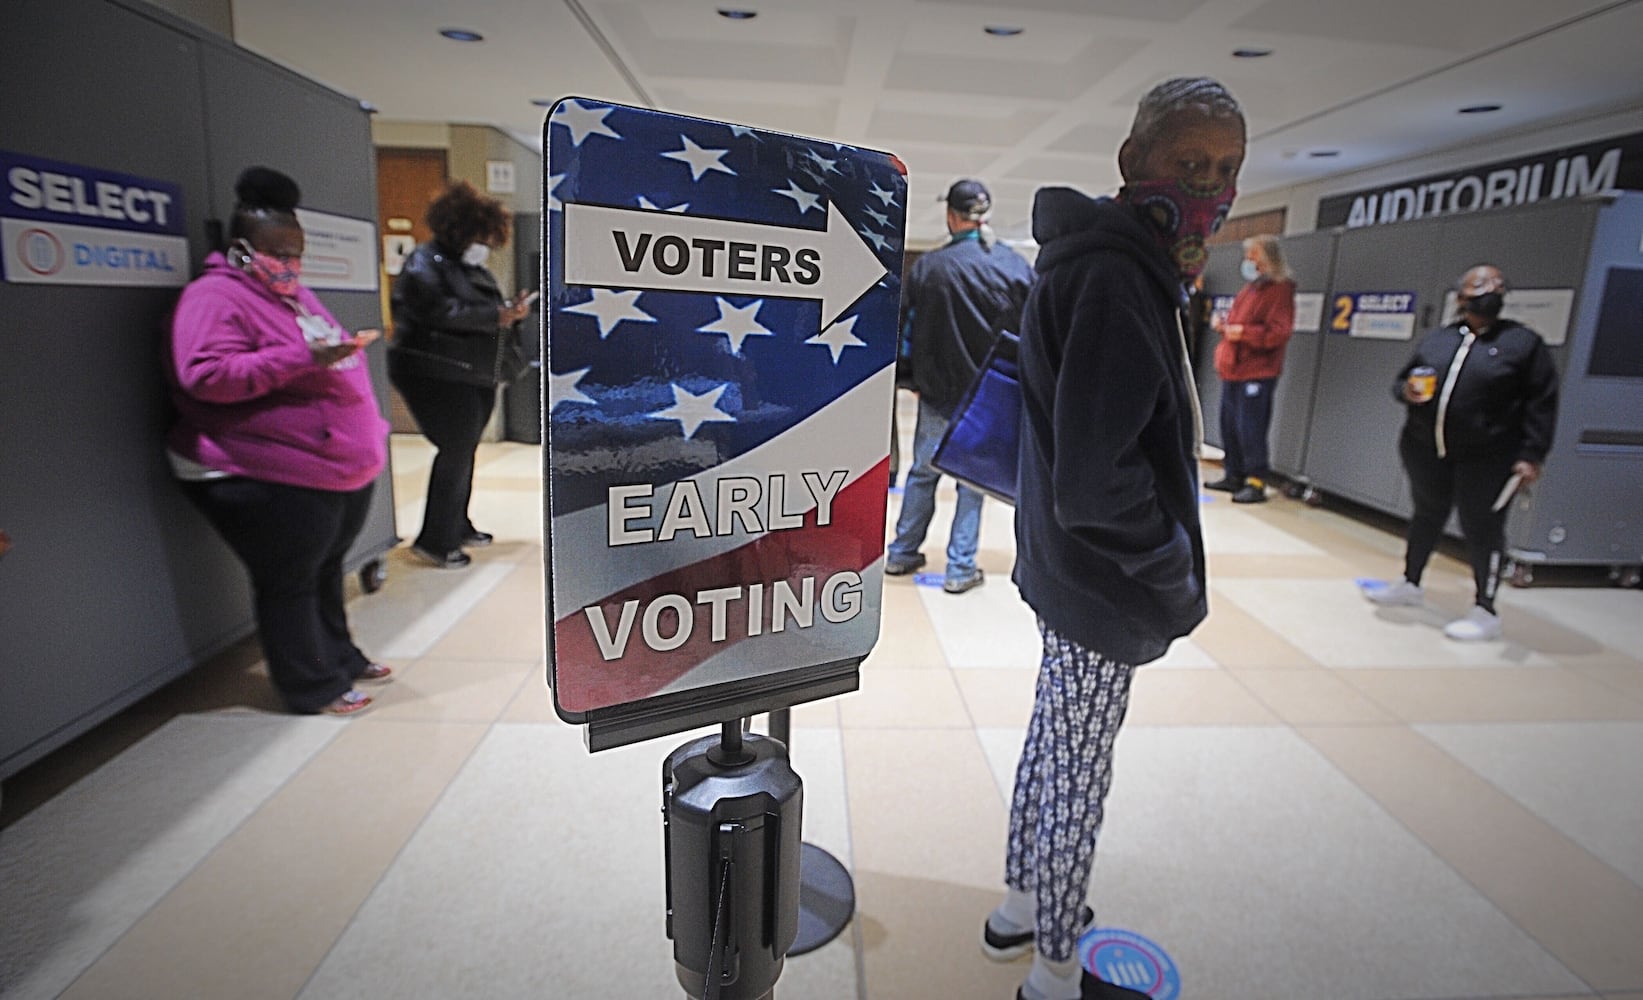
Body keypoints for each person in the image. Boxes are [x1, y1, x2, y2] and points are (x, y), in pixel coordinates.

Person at [985, 78, 1244, 1000]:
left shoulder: (1104, 263)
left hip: (1066, 569)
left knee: (1054, 739)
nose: (1208, 185)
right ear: (1133, 162)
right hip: (1102, 578)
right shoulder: (1116, 277)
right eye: (1188, 163)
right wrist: (1171, 569)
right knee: (1078, 773)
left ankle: (1019, 904)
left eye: (1225, 170)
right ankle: (1054, 969)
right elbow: (1099, 482)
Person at [166, 167, 391, 716]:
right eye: (278, 252)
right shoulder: (213, 297)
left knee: (324, 569)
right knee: (288, 579)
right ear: (243, 249)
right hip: (267, 470)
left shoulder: (292, 296)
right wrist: (303, 359)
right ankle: (309, 683)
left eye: (296, 253)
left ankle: (338, 655)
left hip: (329, 466)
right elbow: (204, 374)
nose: (289, 263)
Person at [1361, 265, 1558, 641]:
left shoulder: (1523, 344)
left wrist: (1532, 454)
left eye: (1498, 286)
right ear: (1461, 297)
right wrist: (1407, 392)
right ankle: (1411, 581)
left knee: (1482, 528)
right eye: (1481, 285)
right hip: (1426, 448)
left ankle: (1486, 609)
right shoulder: (1439, 340)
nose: (1491, 291)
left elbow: (1542, 403)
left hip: (1489, 457)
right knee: (1426, 515)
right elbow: (1402, 381)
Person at [884, 178, 1034, 594]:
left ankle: (901, 553)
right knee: (972, 481)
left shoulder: (930, 268)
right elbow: (1032, 334)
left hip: (937, 394)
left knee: (922, 474)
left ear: (952, 216)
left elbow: (906, 332)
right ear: (983, 216)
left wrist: (910, 379)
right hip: (990, 397)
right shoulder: (1015, 266)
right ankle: (959, 569)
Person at [389, 180, 532, 568]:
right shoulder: (424, 263)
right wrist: (494, 316)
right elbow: (437, 312)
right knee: (455, 449)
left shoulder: (469, 268)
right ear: (459, 228)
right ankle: (435, 540)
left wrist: (508, 312)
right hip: (435, 373)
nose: (485, 245)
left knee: (464, 449)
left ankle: (458, 523)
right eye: (481, 236)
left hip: (471, 372)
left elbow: (479, 309)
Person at [1205, 234, 1296, 504]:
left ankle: (1256, 481)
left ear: (1268, 260)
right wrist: (1224, 324)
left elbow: (1279, 333)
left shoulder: (1280, 290)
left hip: (1258, 371)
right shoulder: (1250, 289)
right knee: (1230, 424)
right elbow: (1237, 323)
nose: (1248, 262)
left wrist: (1243, 333)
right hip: (1233, 369)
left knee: (1251, 428)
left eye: (1253, 257)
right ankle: (1234, 474)